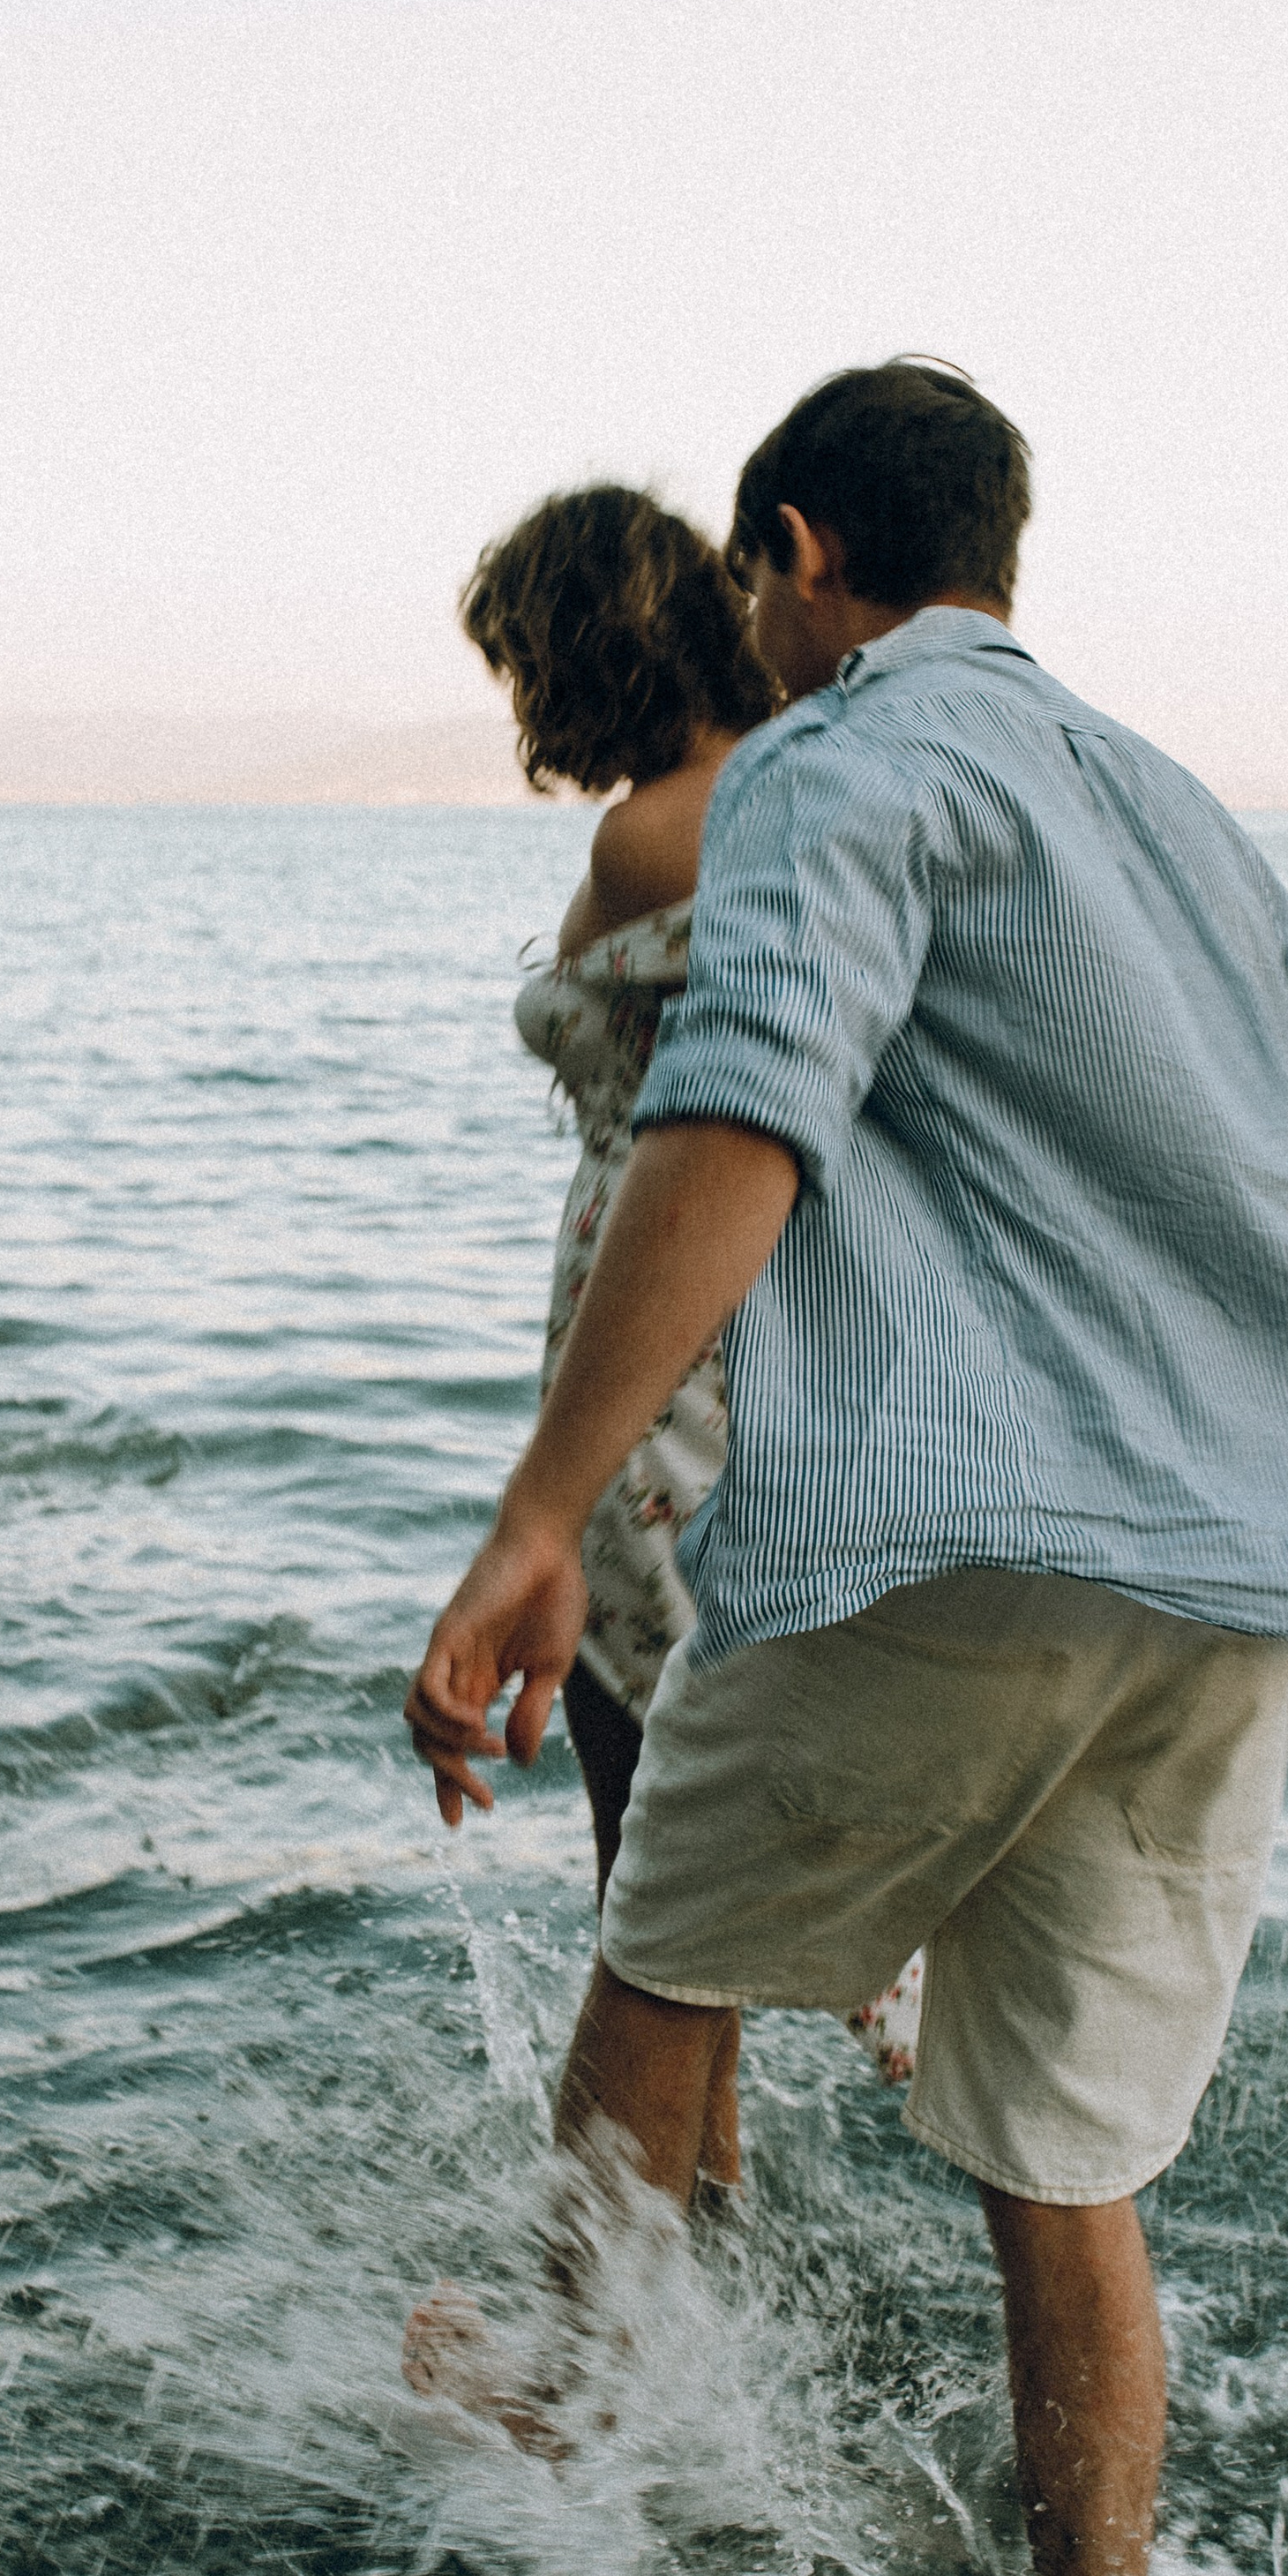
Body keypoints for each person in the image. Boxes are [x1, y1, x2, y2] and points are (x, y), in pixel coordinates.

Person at [405, 362, 1288, 2576]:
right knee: (1067, 2166)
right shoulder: (1186, 815)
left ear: (797, 555)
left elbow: (745, 1105)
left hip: (966, 1531)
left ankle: (582, 2425)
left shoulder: (834, 761)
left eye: (762, 586)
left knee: (662, 1966)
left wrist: (545, 1506)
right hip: (1225, 1572)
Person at [461, 487, 924, 2166]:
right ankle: (694, 2269)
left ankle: (620, 2328)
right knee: (684, 1860)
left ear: (584, 653)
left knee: (643, 1867)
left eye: (523, 660)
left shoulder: (657, 833)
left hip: (656, 1367)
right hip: (748, 1339)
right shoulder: (807, 797)